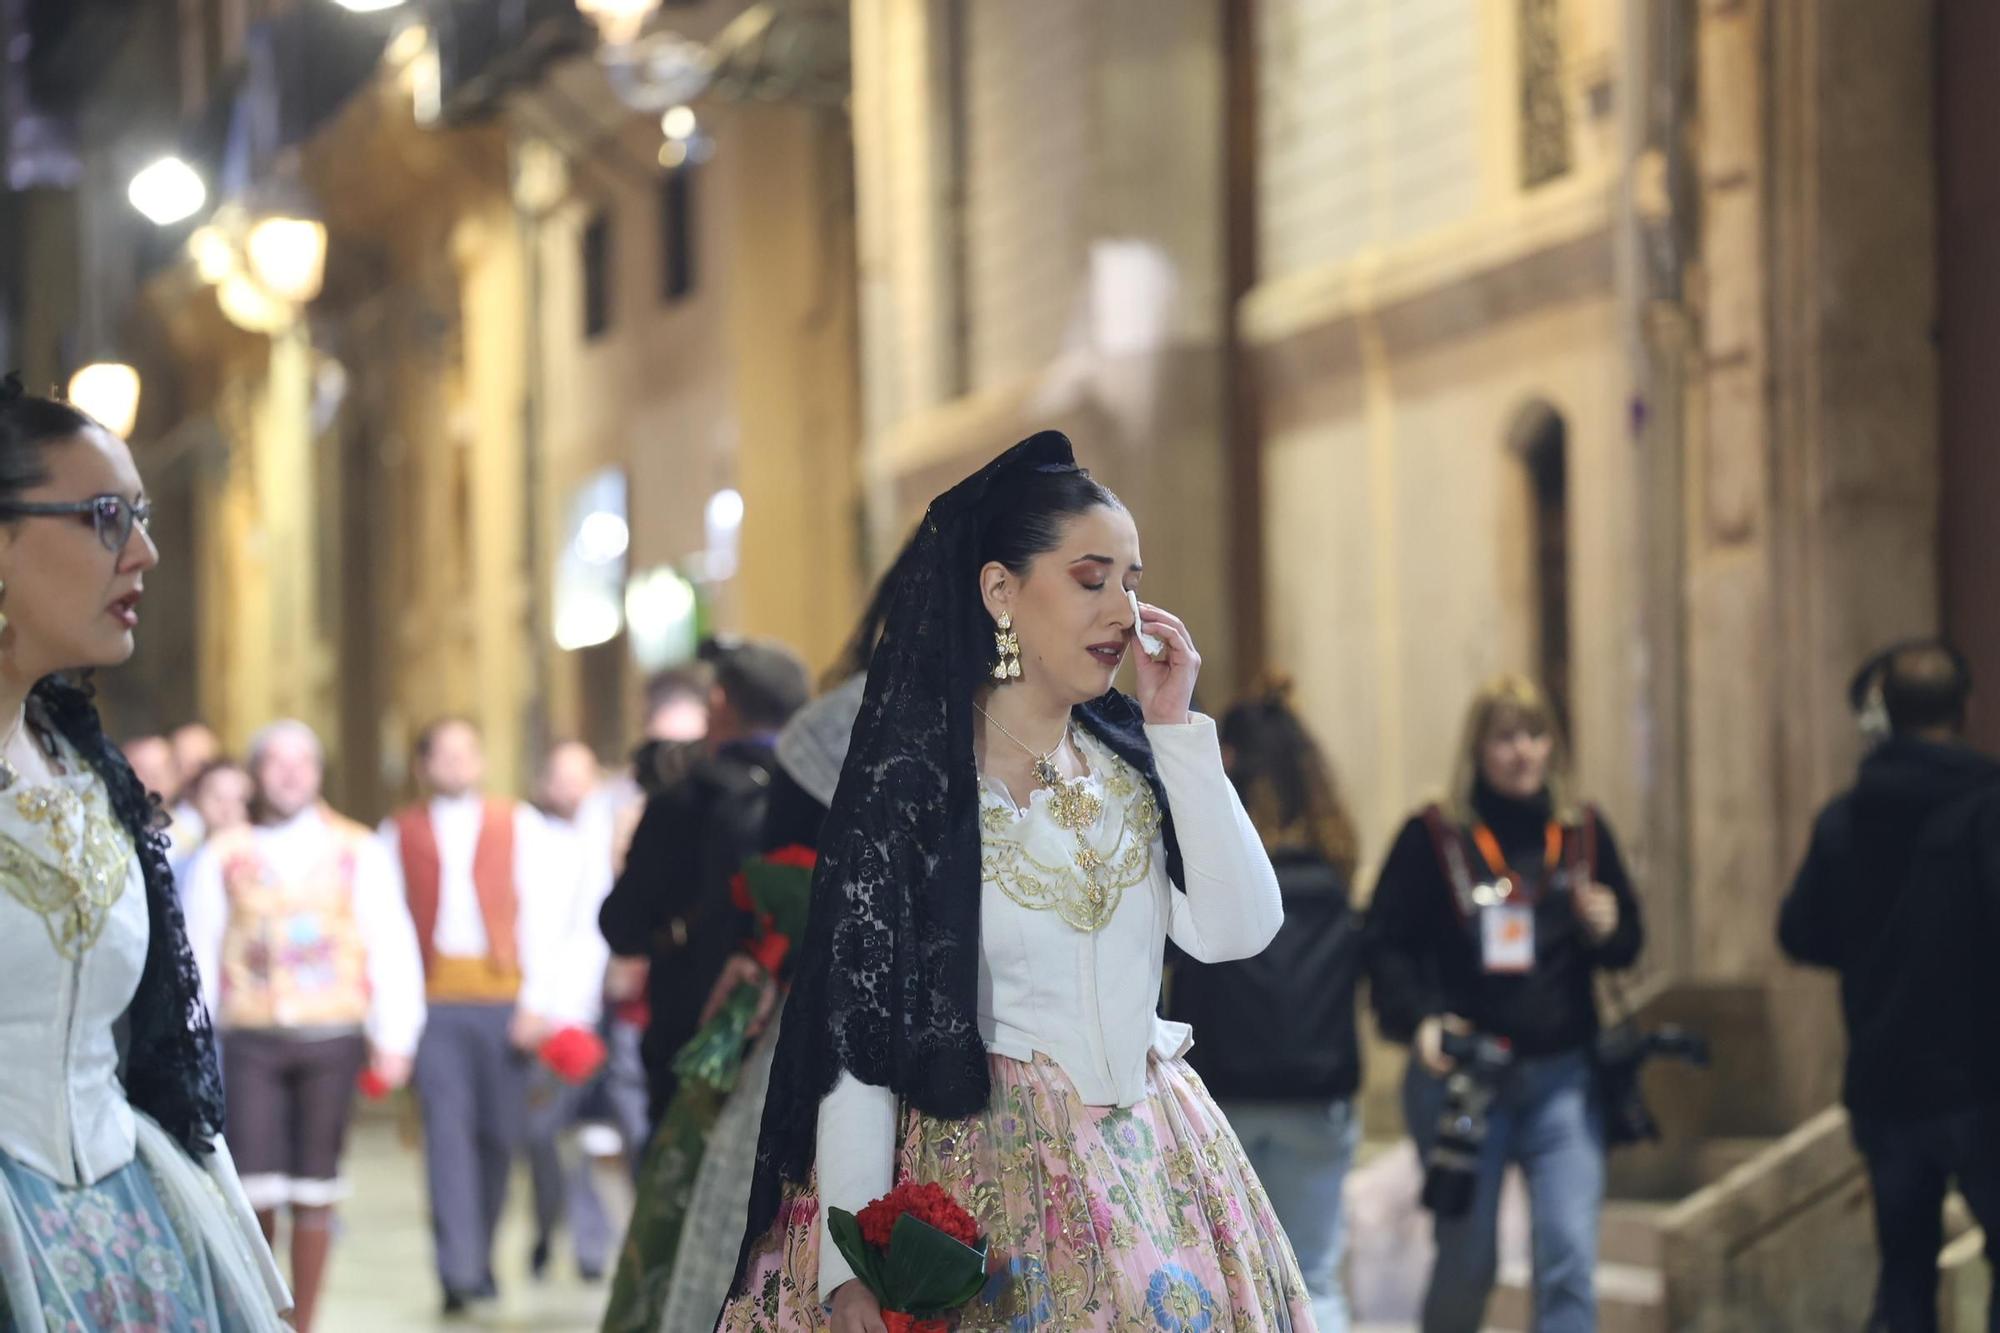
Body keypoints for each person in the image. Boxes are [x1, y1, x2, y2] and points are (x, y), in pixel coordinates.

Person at [718, 431, 1314, 1332]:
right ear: (1001, 589)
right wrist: (851, 1274)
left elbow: (1237, 930)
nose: (1124, 608)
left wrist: (1178, 729)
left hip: (1161, 1181)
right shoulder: (920, 790)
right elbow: (860, 1046)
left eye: (1133, 579)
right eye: (1090, 578)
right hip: (978, 1182)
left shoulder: (1129, 763)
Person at [0, 375, 290, 1329]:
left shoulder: (84, 765)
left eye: (142, 515)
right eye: (104, 516)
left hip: (136, 1236)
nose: (144, 551)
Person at [1365, 674, 1643, 1333]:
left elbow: (1629, 940)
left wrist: (1608, 924)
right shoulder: (1434, 835)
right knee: (1469, 1261)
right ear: (1479, 749)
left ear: (1553, 747)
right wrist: (1421, 1015)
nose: (1522, 751)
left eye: (1535, 734)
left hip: (1563, 1081)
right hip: (1466, 1083)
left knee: (1569, 1258)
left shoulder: (1582, 832)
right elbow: (1384, 944)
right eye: (1505, 736)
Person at [1779, 641, 2000, 1333]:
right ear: (1965, 708)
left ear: (1883, 715)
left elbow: (1801, 934)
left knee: (1903, 1273)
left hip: (1887, 1084)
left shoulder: (1845, 819)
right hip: (1981, 1085)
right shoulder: (1989, 808)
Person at [181, 719, 427, 1333]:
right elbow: (198, 951)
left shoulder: (357, 848)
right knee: (254, 1185)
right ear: (258, 773)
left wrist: (395, 1036)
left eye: (303, 763)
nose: (290, 774)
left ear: (319, 773)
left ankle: (305, 1322)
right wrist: (188, 1044)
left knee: (316, 1184)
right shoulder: (226, 854)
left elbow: (389, 941)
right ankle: (264, 1314)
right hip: (250, 1037)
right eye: (276, 763)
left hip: (331, 1034)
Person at [1167, 678, 1366, 1332]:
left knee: (1225, 1282)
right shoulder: (1333, 873)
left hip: (1226, 1095)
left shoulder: (1204, 865)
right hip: (1318, 1093)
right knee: (1314, 1276)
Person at [380, 717, 587, 1314]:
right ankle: (457, 1268)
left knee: (500, 1136)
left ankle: (482, 1252)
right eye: (442, 754)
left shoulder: (517, 824)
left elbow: (546, 917)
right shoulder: (398, 834)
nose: (455, 764)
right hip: (436, 1001)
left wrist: (539, 1002)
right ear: (422, 765)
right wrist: (395, 1022)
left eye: (466, 752)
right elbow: (389, 932)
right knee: (446, 1135)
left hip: (505, 1000)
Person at [599, 637, 811, 1125]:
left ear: (718, 703)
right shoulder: (830, 790)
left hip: (690, 1044)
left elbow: (621, 926)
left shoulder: (682, 800)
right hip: (801, 1048)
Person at [525, 739, 618, 1283]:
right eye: (560, 776)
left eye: (581, 776)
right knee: (541, 1135)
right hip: (548, 1014)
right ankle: (544, 1229)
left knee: (593, 1138)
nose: (571, 788)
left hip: (601, 1010)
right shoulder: (529, 842)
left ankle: (590, 1247)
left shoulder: (614, 838)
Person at [169, 756, 253, 887]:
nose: (227, 809)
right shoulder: (180, 862)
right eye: (218, 798)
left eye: (238, 799)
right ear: (196, 800)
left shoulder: (263, 856)